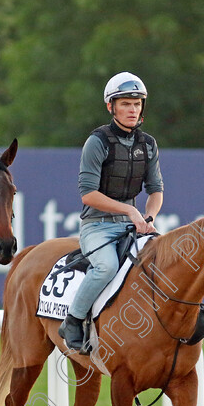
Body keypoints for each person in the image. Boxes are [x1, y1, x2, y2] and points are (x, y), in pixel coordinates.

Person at [58, 72, 164, 353]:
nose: (132, 110)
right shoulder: (97, 142)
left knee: (165, 264)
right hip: (97, 226)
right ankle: (73, 320)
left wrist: (149, 218)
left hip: (135, 226)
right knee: (106, 267)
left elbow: (156, 191)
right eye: (126, 104)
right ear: (111, 107)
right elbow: (88, 194)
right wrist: (130, 210)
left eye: (137, 104)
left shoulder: (149, 144)